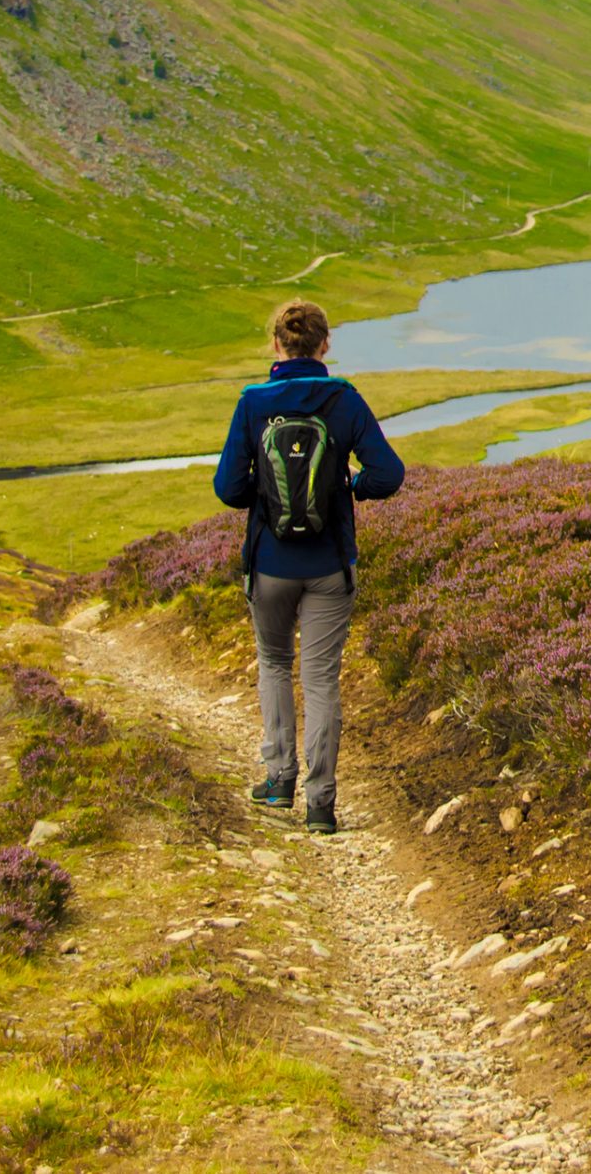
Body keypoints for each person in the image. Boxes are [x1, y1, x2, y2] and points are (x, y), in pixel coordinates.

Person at [213, 299, 404, 834]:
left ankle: (278, 781)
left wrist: (268, 500)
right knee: (321, 679)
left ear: (276, 345)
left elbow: (227, 488)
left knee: (274, 663)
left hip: (270, 565)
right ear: (325, 346)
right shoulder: (343, 400)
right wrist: (348, 487)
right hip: (329, 568)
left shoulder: (252, 403)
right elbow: (388, 474)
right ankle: (321, 804)